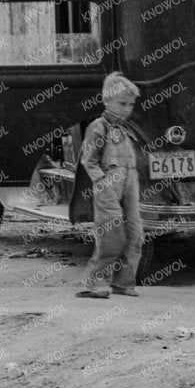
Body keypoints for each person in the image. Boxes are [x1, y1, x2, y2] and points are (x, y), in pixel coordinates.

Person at [77, 73, 146, 299]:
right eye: (122, 103)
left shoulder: (126, 129)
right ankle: (93, 282)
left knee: (135, 234)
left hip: (130, 185)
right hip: (108, 186)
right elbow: (88, 159)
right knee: (112, 235)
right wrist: (101, 181)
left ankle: (124, 282)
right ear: (107, 101)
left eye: (130, 104)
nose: (127, 108)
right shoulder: (99, 127)